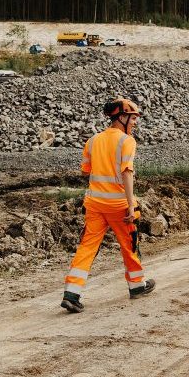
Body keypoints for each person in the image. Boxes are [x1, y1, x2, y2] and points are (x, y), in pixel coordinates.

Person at [61, 98, 156, 313]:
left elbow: (86, 170)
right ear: (121, 117)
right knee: (129, 245)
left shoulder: (93, 141)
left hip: (94, 205)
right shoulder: (127, 141)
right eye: (132, 118)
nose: (134, 122)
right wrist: (131, 206)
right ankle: (137, 286)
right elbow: (127, 173)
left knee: (87, 247)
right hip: (119, 206)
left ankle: (71, 295)